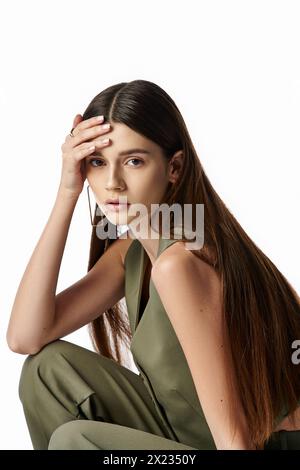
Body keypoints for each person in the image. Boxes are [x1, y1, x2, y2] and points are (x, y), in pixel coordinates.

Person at [6, 79, 300, 450]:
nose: (112, 182)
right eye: (97, 162)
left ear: (174, 167)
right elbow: (25, 337)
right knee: (45, 370)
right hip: (189, 436)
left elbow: (235, 438)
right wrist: (67, 191)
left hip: (259, 444)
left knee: (74, 438)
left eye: (134, 161)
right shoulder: (131, 253)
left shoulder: (180, 263)